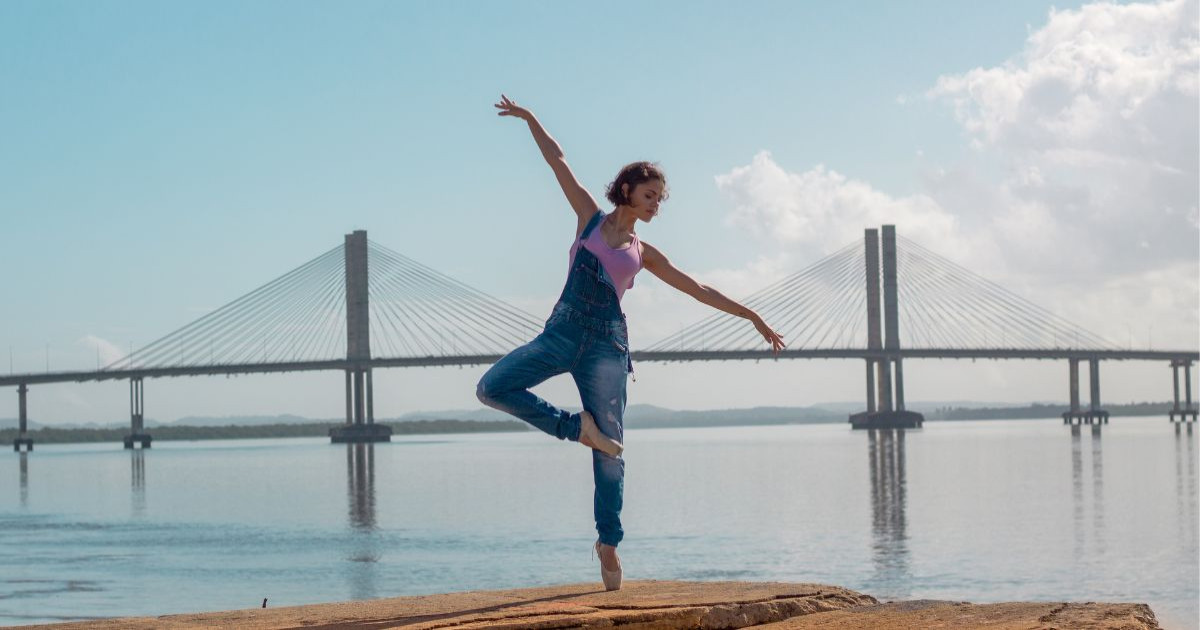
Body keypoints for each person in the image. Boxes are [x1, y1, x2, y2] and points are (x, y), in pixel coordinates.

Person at [476, 94, 786, 591]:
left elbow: (698, 288)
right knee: (491, 387)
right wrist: (532, 119)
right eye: (651, 194)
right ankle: (574, 427)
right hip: (561, 334)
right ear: (627, 189)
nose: (657, 203)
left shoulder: (645, 253)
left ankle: (609, 543)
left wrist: (751, 316)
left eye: (661, 198)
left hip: (607, 348)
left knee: (612, 451)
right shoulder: (590, 220)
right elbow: (558, 162)